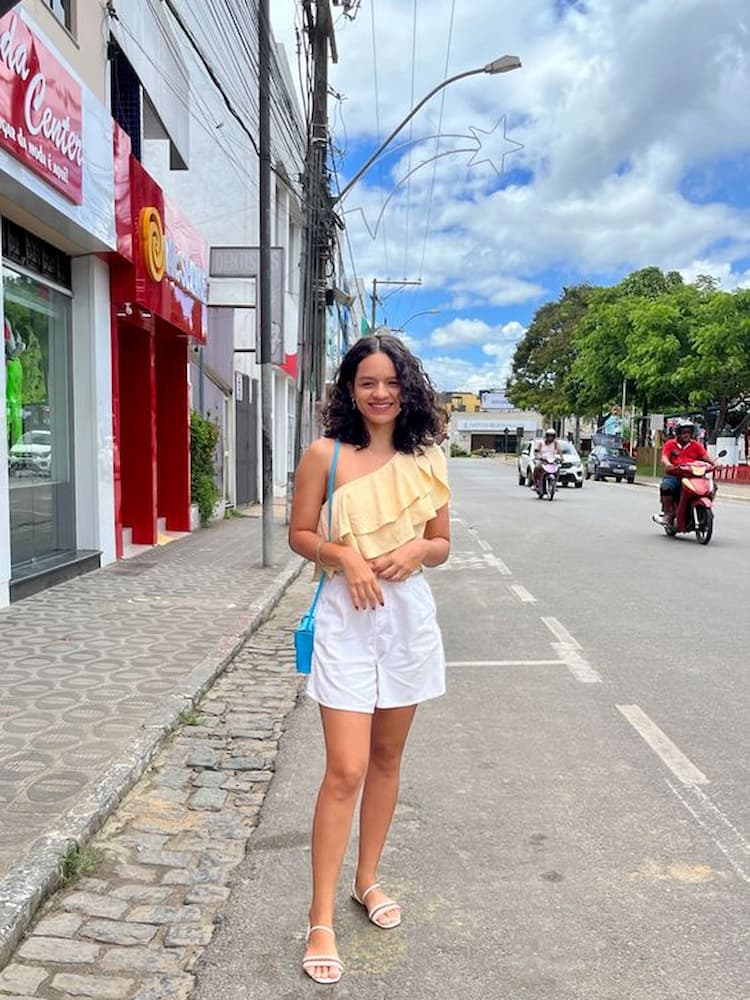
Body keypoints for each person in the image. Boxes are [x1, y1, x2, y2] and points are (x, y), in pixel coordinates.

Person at [288, 333, 450, 986]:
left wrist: (417, 553)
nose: (381, 393)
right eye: (367, 383)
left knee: (386, 758)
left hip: (408, 624)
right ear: (349, 391)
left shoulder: (430, 457)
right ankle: (320, 916)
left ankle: (367, 880)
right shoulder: (324, 455)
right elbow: (300, 533)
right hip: (345, 626)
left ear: (407, 388)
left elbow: (441, 543)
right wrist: (345, 555)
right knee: (345, 769)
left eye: (391, 382)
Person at [653, 418, 716, 524]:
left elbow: (706, 456)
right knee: (666, 487)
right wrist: (668, 465)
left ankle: (704, 511)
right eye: (683, 432)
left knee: (712, 487)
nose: (686, 435)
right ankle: (668, 514)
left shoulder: (696, 445)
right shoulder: (670, 444)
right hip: (675, 475)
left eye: (688, 432)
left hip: (693, 476)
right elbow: (664, 457)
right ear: (678, 433)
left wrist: (714, 463)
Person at [532, 427, 562, 492]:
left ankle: (554, 484)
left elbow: (559, 451)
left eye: (552, 436)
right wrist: (538, 456)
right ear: (546, 436)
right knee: (537, 467)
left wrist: (561, 458)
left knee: (557, 469)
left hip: (551, 460)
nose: (550, 437)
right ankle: (535, 484)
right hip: (542, 460)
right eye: (549, 436)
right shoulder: (541, 443)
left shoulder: (555, 443)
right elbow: (536, 451)